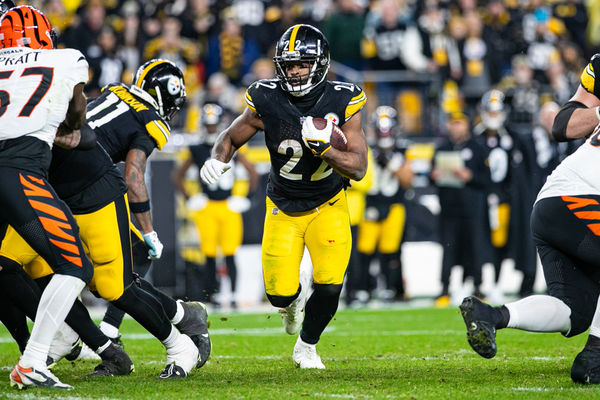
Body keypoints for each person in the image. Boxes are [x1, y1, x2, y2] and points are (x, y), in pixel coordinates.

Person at [1, 59, 211, 380]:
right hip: (51, 191)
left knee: (115, 287)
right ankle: (68, 336)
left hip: (93, 189)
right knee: (17, 264)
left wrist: (148, 230)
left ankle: (178, 344)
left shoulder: (119, 98)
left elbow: (131, 172)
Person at [200, 24, 368, 368]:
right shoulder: (266, 97)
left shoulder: (343, 97)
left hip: (329, 203)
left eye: (302, 64)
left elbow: (359, 167)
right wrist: (217, 160)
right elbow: (230, 138)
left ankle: (307, 346)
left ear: (319, 64)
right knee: (278, 292)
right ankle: (291, 303)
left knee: (330, 284)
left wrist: (327, 152)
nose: (294, 71)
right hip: (283, 205)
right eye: (288, 65)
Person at [459, 52, 600, 384]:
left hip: (553, 199)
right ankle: (594, 356)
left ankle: (493, 315)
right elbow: (562, 125)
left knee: (574, 311)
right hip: (581, 196)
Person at [0, 5, 93, 389]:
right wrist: (66, 127)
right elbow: (77, 111)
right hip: (19, 168)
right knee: (75, 265)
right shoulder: (67, 57)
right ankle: (33, 360)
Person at [173, 102, 258, 308]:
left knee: (230, 253)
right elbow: (178, 176)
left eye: (214, 125)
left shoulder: (233, 145)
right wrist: (190, 198)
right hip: (207, 206)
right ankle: (213, 295)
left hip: (228, 206)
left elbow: (253, 172)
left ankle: (235, 294)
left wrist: (246, 197)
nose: (211, 129)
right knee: (209, 254)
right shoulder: (196, 149)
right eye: (208, 125)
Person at [433, 112, 491, 307]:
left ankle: (478, 286)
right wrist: (434, 175)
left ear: (466, 125)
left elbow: (487, 179)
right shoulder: (442, 148)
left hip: (472, 209)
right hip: (449, 209)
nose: (456, 127)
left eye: (459, 123)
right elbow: (431, 178)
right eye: (453, 123)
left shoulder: (478, 148)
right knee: (448, 250)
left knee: (475, 248)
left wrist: (470, 176)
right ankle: (444, 289)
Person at [356, 106, 412, 303]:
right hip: (370, 204)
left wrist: (391, 162)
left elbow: (408, 181)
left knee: (391, 250)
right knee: (365, 249)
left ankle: (391, 287)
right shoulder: (365, 148)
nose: (384, 133)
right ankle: (364, 288)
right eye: (381, 129)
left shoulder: (402, 149)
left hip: (394, 204)